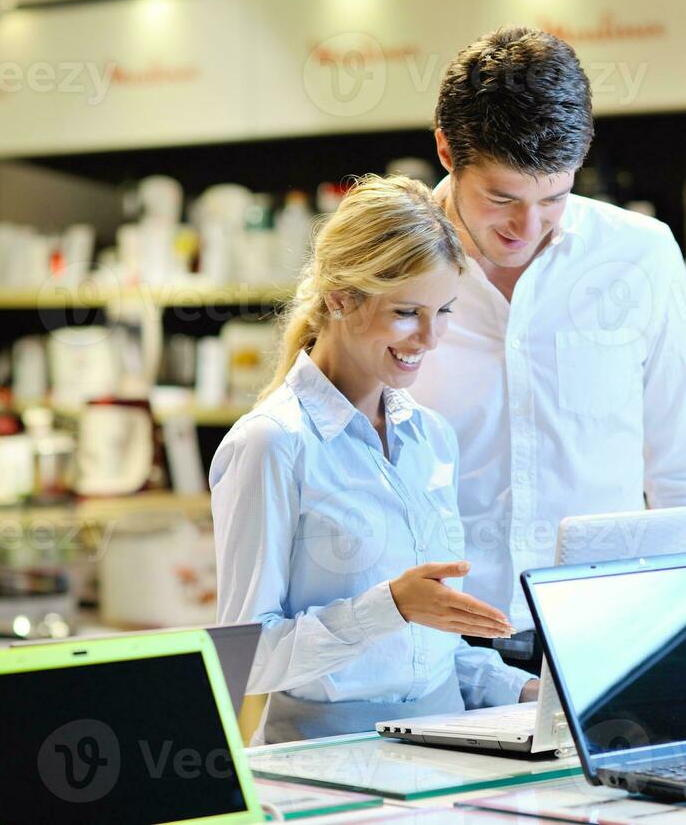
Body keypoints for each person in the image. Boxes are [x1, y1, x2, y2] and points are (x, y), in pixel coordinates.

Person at [409, 26, 686, 672]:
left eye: (553, 197)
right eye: (502, 198)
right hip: (428, 646)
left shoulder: (636, 254)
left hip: (604, 639)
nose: (526, 227)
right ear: (446, 150)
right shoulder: (389, 262)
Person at [211, 175, 537, 744]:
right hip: (328, 759)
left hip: (449, 746)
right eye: (408, 312)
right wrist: (388, 606)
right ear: (340, 297)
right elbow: (244, 660)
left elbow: (421, 655)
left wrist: (527, 692)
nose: (430, 338)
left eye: (445, 310)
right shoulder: (271, 443)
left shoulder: (431, 437)